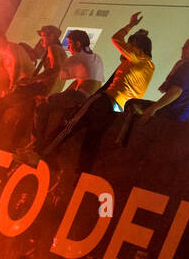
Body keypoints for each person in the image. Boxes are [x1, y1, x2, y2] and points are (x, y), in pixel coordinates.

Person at [62, 13, 155, 169]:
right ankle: (81, 172)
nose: (125, 49)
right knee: (93, 138)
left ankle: (41, 153)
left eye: (130, 45)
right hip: (120, 108)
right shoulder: (149, 65)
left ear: (135, 47)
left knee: (72, 124)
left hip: (107, 100)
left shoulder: (137, 57)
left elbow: (116, 38)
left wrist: (130, 25)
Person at [0, 26, 66, 153]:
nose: (41, 41)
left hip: (41, 87)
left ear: (52, 36)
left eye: (43, 36)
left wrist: (25, 83)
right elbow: (1, 70)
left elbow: (52, 69)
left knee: (2, 104)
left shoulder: (52, 48)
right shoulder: (8, 52)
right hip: (41, 87)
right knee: (35, 115)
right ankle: (32, 148)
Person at [19, 29, 104, 158]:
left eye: (70, 43)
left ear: (78, 44)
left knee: (41, 108)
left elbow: (54, 70)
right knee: (51, 103)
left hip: (80, 97)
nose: (68, 47)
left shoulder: (78, 57)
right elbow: (80, 81)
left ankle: (34, 147)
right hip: (87, 97)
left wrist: (32, 80)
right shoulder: (95, 57)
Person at [121, 38, 189, 145]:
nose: (183, 49)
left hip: (177, 116)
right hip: (183, 118)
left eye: (187, 47)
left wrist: (153, 108)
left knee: (133, 105)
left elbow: (176, 91)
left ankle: (124, 142)